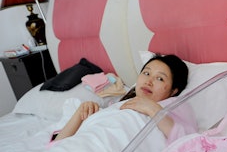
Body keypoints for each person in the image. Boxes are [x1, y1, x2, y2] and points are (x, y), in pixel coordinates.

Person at [54, 54, 196, 142]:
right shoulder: (118, 106)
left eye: (159, 78)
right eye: (146, 73)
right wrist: (79, 115)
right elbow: (58, 147)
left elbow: (188, 142)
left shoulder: (173, 105)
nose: (149, 81)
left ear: (173, 91)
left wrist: (153, 109)